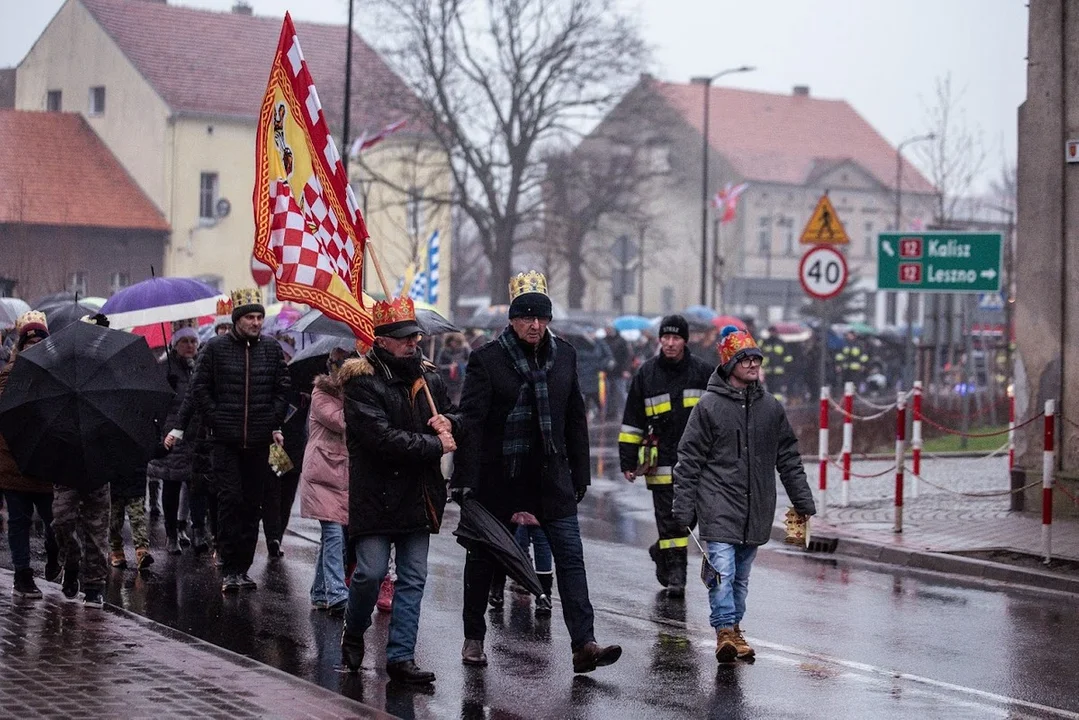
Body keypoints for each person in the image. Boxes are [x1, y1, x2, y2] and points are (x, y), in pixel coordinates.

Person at [451, 271, 621, 674]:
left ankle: (585, 644)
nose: (534, 325)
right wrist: (465, 482)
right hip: (500, 478)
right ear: (511, 319)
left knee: (571, 558)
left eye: (541, 317)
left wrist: (581, 474)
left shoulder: (566, 355)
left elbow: (574, 417)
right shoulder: (487, 360)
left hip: (552, 478)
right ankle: (473, 637)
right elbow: (472, 423)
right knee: (484, 557)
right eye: (526, 316)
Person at [672, 325, 816, 664]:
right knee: (721, 570)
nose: (753, 364)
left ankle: (734, 629)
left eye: (756, 358)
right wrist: (683, 506)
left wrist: (802, 500)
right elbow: (689, 458)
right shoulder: (708, 407)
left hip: (756, 508)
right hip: (718, 504)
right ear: (728, 364)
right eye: (745, 358)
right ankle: (723, 629)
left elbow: (788, 457)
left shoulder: (771, 408)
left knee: (741, 577)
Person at [338, 296, 457, 685]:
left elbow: (455, 413)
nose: (413, 343)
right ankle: (353, 632)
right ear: (383, 341)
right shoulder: (360, 381)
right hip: (375, 495)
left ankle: (401, 657)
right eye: (404, 338)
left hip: (419, 493)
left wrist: (449, 422)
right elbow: (381, 439)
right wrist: (435, 444)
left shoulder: (429, 376)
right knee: (369, 573)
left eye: (415, 336)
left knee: (413, 577)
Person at [186, 288, 290, 593]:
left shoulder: (271, 350)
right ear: (237, 320)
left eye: (259, 317)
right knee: (230, 501)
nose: (256, 322)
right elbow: (200, 389)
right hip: (226, 442)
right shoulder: (216, 349)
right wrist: (217, 418)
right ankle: (229, 567)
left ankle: (243, 568)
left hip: (258, 442)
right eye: (250, 317)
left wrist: (272, 418)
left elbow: (283, 388)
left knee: (251, 505)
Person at [618, 314, 712, 597]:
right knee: (669, 518)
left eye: (676, 338)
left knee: (692, 515)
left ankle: (662, 551)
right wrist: (628, 460)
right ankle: (676, 576)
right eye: (666, 338)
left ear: (685, 340)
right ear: (660, 340)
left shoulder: (703, 373)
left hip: (696, 461)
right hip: (660, 460)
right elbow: (632, 420)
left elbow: (716, 416)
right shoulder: (646, 374)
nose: (670, 344)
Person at [51, 313, 116, 608]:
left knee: (97, 527)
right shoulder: (65, 369)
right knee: (62, 520)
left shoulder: (113, 370)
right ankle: (72, 561)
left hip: (100, 458)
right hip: (66, 460)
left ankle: (94, 585)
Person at [0, 312, 59, 597]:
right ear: (21, 345)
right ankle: (23, 575)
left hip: (46, 462)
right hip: (14, 459)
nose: (34, 346)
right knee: (19, 521)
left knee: (55, 522)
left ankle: (54, 553)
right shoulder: (9, 374)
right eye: (29, 341)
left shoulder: (56, 376)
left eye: (40, 341)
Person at [151, 320, 211, 555]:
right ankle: (171, 534)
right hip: (173, 434)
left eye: (193, 341)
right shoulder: (165, 368)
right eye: (184, 341)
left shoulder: (200, 366)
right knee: (172, 483)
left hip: (197, 435)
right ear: (175, 344)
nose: (190, 345)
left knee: (198, 485)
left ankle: (197, 531)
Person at [299, 348, 351, 613]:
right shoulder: (322, 393)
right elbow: (340, 421)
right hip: (322, 472)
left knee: (335, 534)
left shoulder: (352, 392)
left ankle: (320, 591)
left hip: (342, 474)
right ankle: (337, 592)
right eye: (337, 362)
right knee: (333, 534)